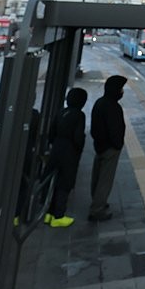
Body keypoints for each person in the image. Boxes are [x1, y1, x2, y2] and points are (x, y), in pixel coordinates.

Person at [44, 87, 88, 228]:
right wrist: (78, 149)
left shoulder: (61, 112)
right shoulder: (79, 115)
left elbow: (51, 133)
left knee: (52, 180)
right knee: (64, 183)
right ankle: (58, 216)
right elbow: (78, 137)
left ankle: (47, 213)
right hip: (69, 152)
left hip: (56, 148)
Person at [87, 75, 127, 221]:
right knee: (105, 180)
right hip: (110, 148)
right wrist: (118, 145)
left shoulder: (100, 102)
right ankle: (97, 209)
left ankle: (97, 201)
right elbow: (115, 130)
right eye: (121, 89)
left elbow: (94, 128)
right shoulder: (113, 107)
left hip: (99, 146)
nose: (122, 92)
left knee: (97, 176)